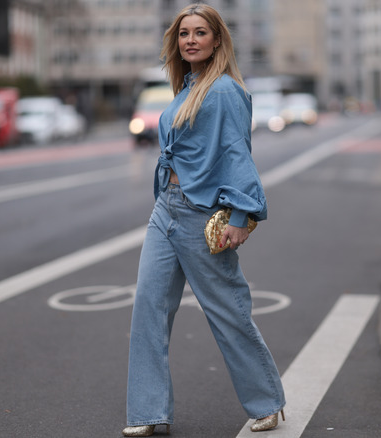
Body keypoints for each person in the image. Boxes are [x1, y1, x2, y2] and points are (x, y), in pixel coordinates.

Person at [122, 4, 286, 437]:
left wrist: (239, 215)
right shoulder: (188, 85)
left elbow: (237, 155)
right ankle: (147, 412)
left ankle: (267, 403)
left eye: (200, 33)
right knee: (148, 309)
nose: (190, 40)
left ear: (217, 40)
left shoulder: (225, 91)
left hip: (200, 214)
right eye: (183, 34)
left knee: (227, 311)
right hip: (166, 211)